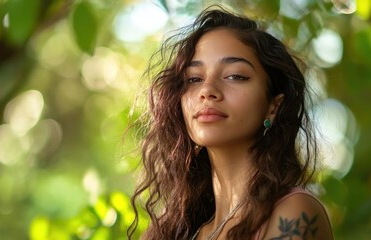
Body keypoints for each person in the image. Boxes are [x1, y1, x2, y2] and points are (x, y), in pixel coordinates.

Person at [127, 5, 333, 240]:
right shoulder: (170, 232)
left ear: (273, 106)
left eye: (235, 76)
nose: (207, 90)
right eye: (193, 79)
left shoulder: (293, 213)